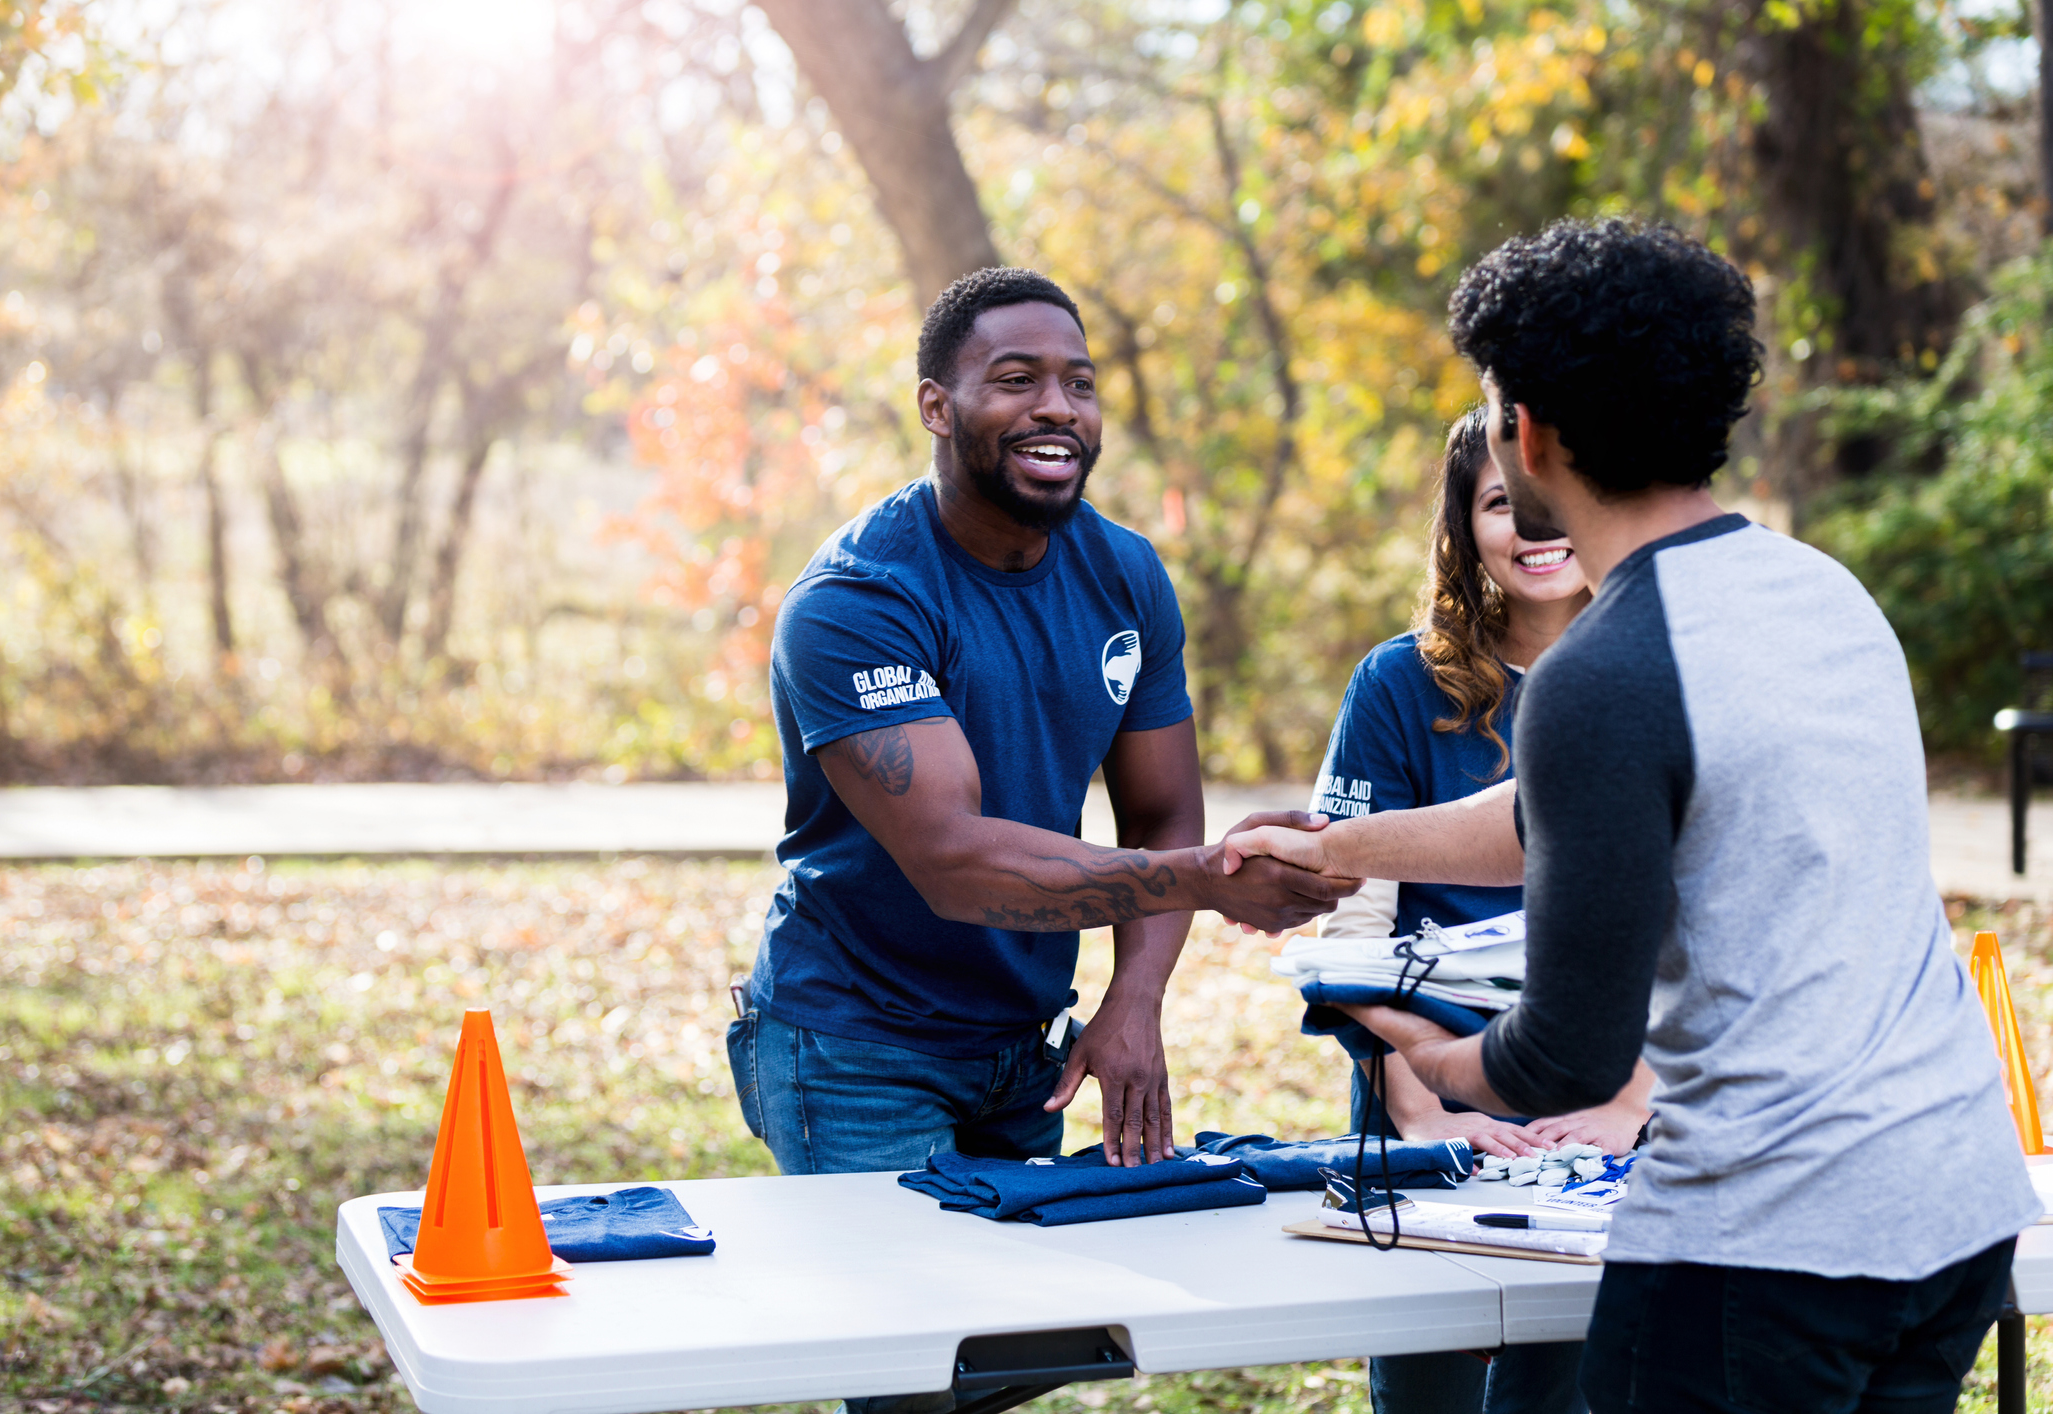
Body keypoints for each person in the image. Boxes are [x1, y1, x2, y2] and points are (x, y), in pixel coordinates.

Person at [1230, 219, 2038, 1413]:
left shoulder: (1598, 676)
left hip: (1768, 1247)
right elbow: (1564, 811)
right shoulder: (1820, 594)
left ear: (1531, 432)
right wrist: (1338, 850)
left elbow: (1567, 1053)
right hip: (1953, 1209)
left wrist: (1427, 1063)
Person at [729, 267, 1352, 1190]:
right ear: (936, 407)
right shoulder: (859, 598)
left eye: (1079, 383)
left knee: (1031, 1330)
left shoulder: (1124, 573)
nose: (1057, 407)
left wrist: (1133, 1000)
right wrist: (1210, 883)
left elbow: (1162, 809)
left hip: (1026, 1047)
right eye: (1017, 380)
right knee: (907, 1325)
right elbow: (952, 858)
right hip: (858, 1046)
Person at [1299, 405, 1646, 1414]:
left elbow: (1687, 924)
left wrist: (1626, 1105)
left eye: (1555, 504)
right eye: (1505, 503)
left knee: (1563, 1386)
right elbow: (1355, 918)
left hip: (1606, 1104)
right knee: (1427, 1383)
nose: (1537, 531)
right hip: (1426, 1089)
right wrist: (1421, 1107)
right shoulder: (1396, 685)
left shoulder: (1651, 676)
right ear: (1464, 526)